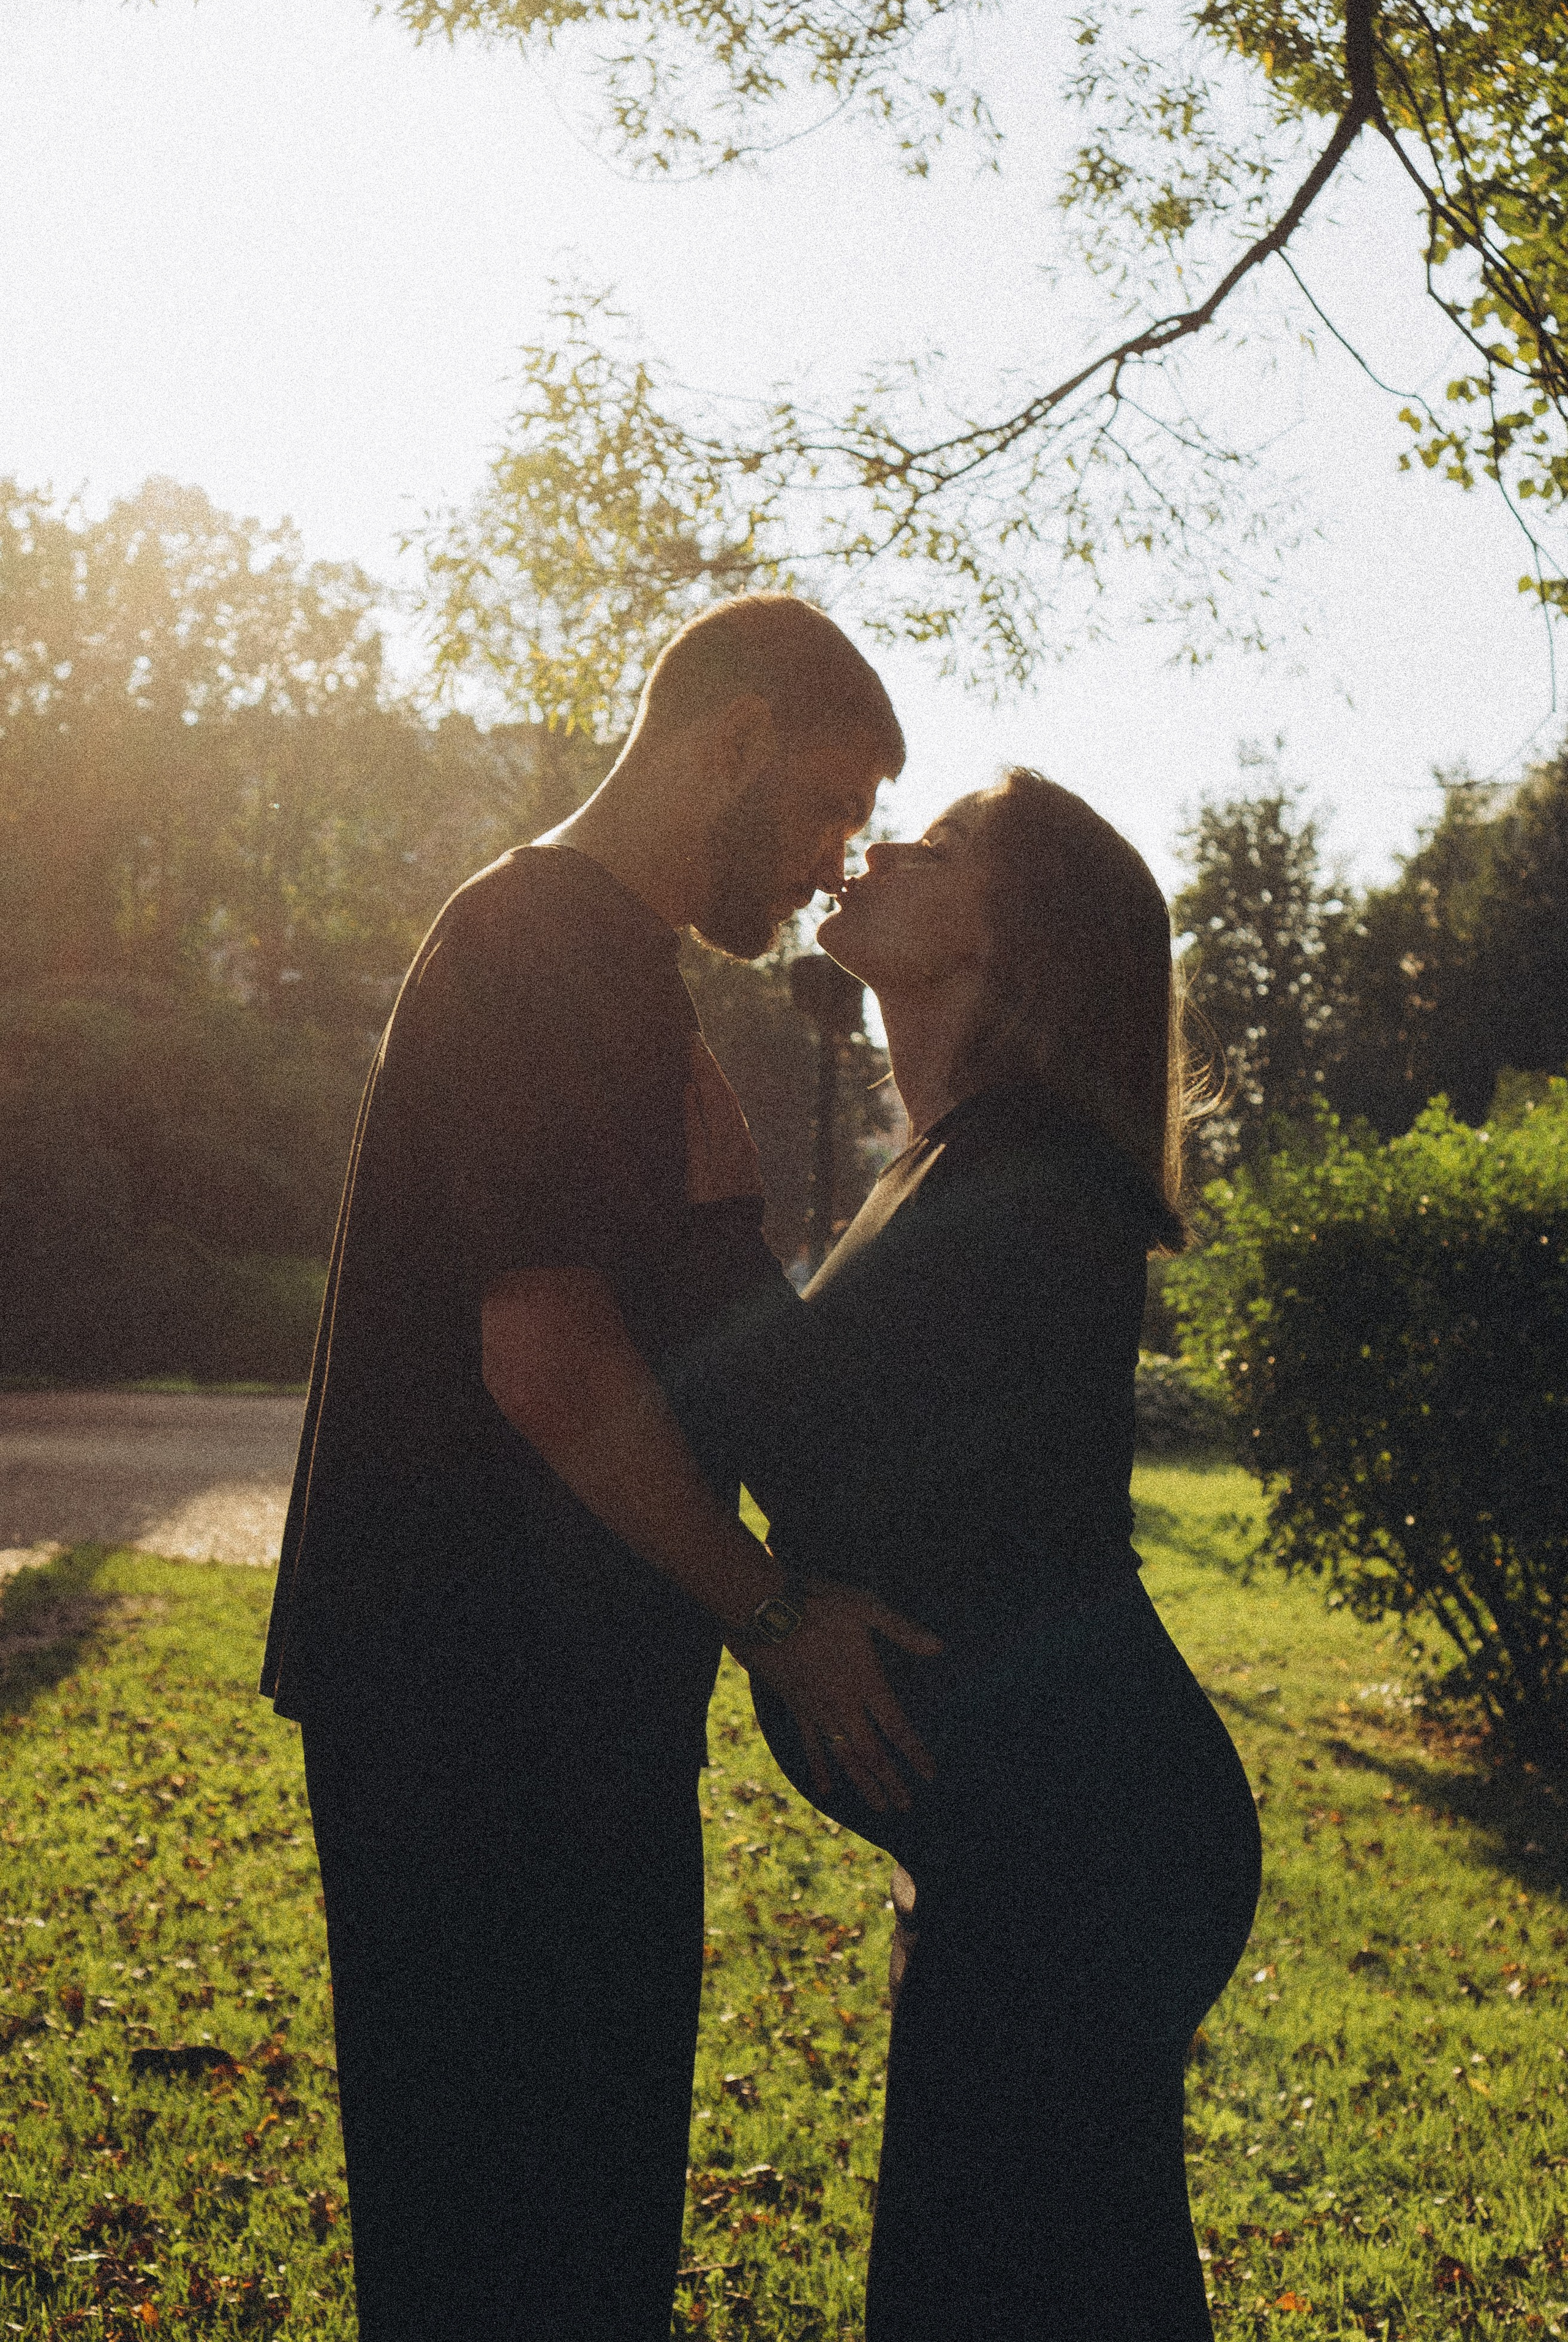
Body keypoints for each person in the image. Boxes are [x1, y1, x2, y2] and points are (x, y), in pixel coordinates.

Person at [259, 595, 943, 2341]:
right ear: (728, 745)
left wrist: (717, 1227)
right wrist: (776, 1613)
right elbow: (546, 1355)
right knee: (514, 2242)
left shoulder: (602, 971)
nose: (830, 862)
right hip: (470, 1702)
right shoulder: (548, 947)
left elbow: (634, 1331)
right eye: (827, 806)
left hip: (532, 1703)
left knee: (566, 2230)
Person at [673, 770, 1264, 2341]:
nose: (869, 849)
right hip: (1039, 1846)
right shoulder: (955, 1162)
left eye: (927, 845)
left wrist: (693, 1197)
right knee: (1034, 2281)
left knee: (1004, 2285)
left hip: (1086, 1846)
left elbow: (762, 1414)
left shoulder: (1030, 1183)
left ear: (1010, 945)